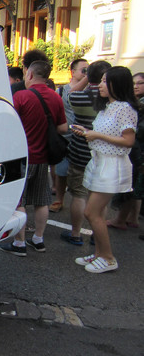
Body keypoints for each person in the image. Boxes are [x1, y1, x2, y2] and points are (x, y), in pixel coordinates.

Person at [72, 66, 138, 273]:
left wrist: (97, 136)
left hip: (111, 165)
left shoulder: (125, 108)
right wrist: (88, 132)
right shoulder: (107, 106)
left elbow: (128, 140)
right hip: (99, 161)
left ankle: (108, 258)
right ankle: (99, 253)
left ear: (116, 84)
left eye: (104, 81)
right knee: (97, 212)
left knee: (92, 212)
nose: (99, 85)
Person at [0, 60, 68, 256]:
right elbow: (63, 128)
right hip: (43, 157)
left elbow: (7, 123)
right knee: (41, 200)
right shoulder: (55, 98)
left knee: (18, 201)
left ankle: (19, 244)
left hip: (19, 156)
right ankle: (38, 239)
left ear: (29, 74)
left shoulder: (21, 96)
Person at [60, 61, 111, 245]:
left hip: (79, 152)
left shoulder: (79, 97)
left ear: (88, 75)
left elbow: (71, 93)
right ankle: (97, 235)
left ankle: (75, 234)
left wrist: (87, 77)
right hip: (102, 154)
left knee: (78, 195)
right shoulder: (111, 100)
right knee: (98, 198)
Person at [50, 59, 90, 213]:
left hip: (82, 140)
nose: (86, 73)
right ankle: (59, 199)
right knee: (61, 171)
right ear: (72, 72)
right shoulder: (61, 91)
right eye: (83, 70)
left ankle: (78, 203)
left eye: (88, 70)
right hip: (65, 138)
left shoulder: (91, 91)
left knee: (80, 176)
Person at [106, 71, 144, 229]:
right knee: (134, 186)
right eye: (134, 83)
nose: (136, 86)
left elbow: (132, 138)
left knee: (129, 186)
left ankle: (121, 219)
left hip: (137, 151)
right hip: (137, 151)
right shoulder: (135, 104)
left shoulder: (129, 107)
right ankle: (132, 218)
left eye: (140, 83)